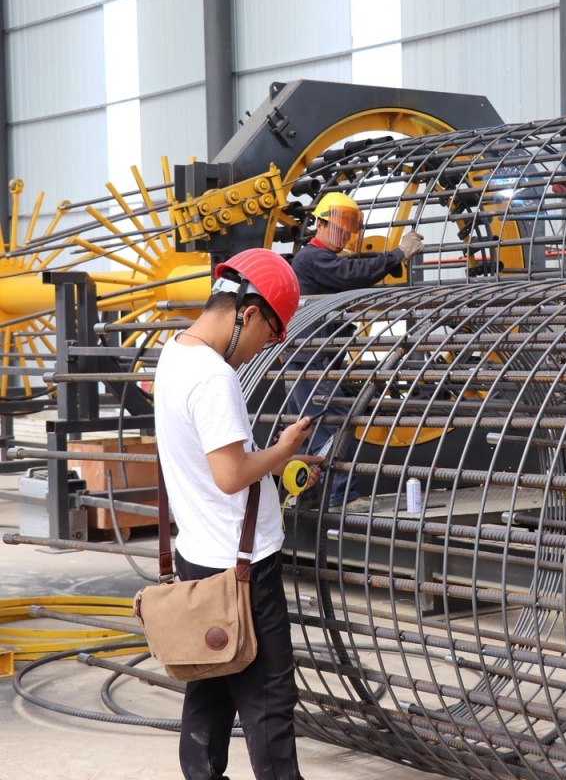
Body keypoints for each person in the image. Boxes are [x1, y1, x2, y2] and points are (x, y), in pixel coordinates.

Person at [154, 247, 322, 780]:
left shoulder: (174, 353)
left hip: (198, 556)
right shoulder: (213, 376)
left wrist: (274, 465)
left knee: (210, 681)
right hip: (242, 567)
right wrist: (285, 448)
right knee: (269, 698)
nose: (260, 351)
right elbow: (230, 475)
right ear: (248, 313)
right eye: (268, 335)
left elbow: (212, 467)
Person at [286, 191, 424, 513]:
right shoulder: (312, 258)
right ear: (320, 224)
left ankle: (304, 495)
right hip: (312, 361)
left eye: (348, 228)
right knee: (335, 423)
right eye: (338, 226)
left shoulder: (318, 261)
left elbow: (352, 272)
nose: (344, 234)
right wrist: (397, 254)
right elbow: (353, 275)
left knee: (304, 431)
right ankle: (342, 498)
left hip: (308, 359)